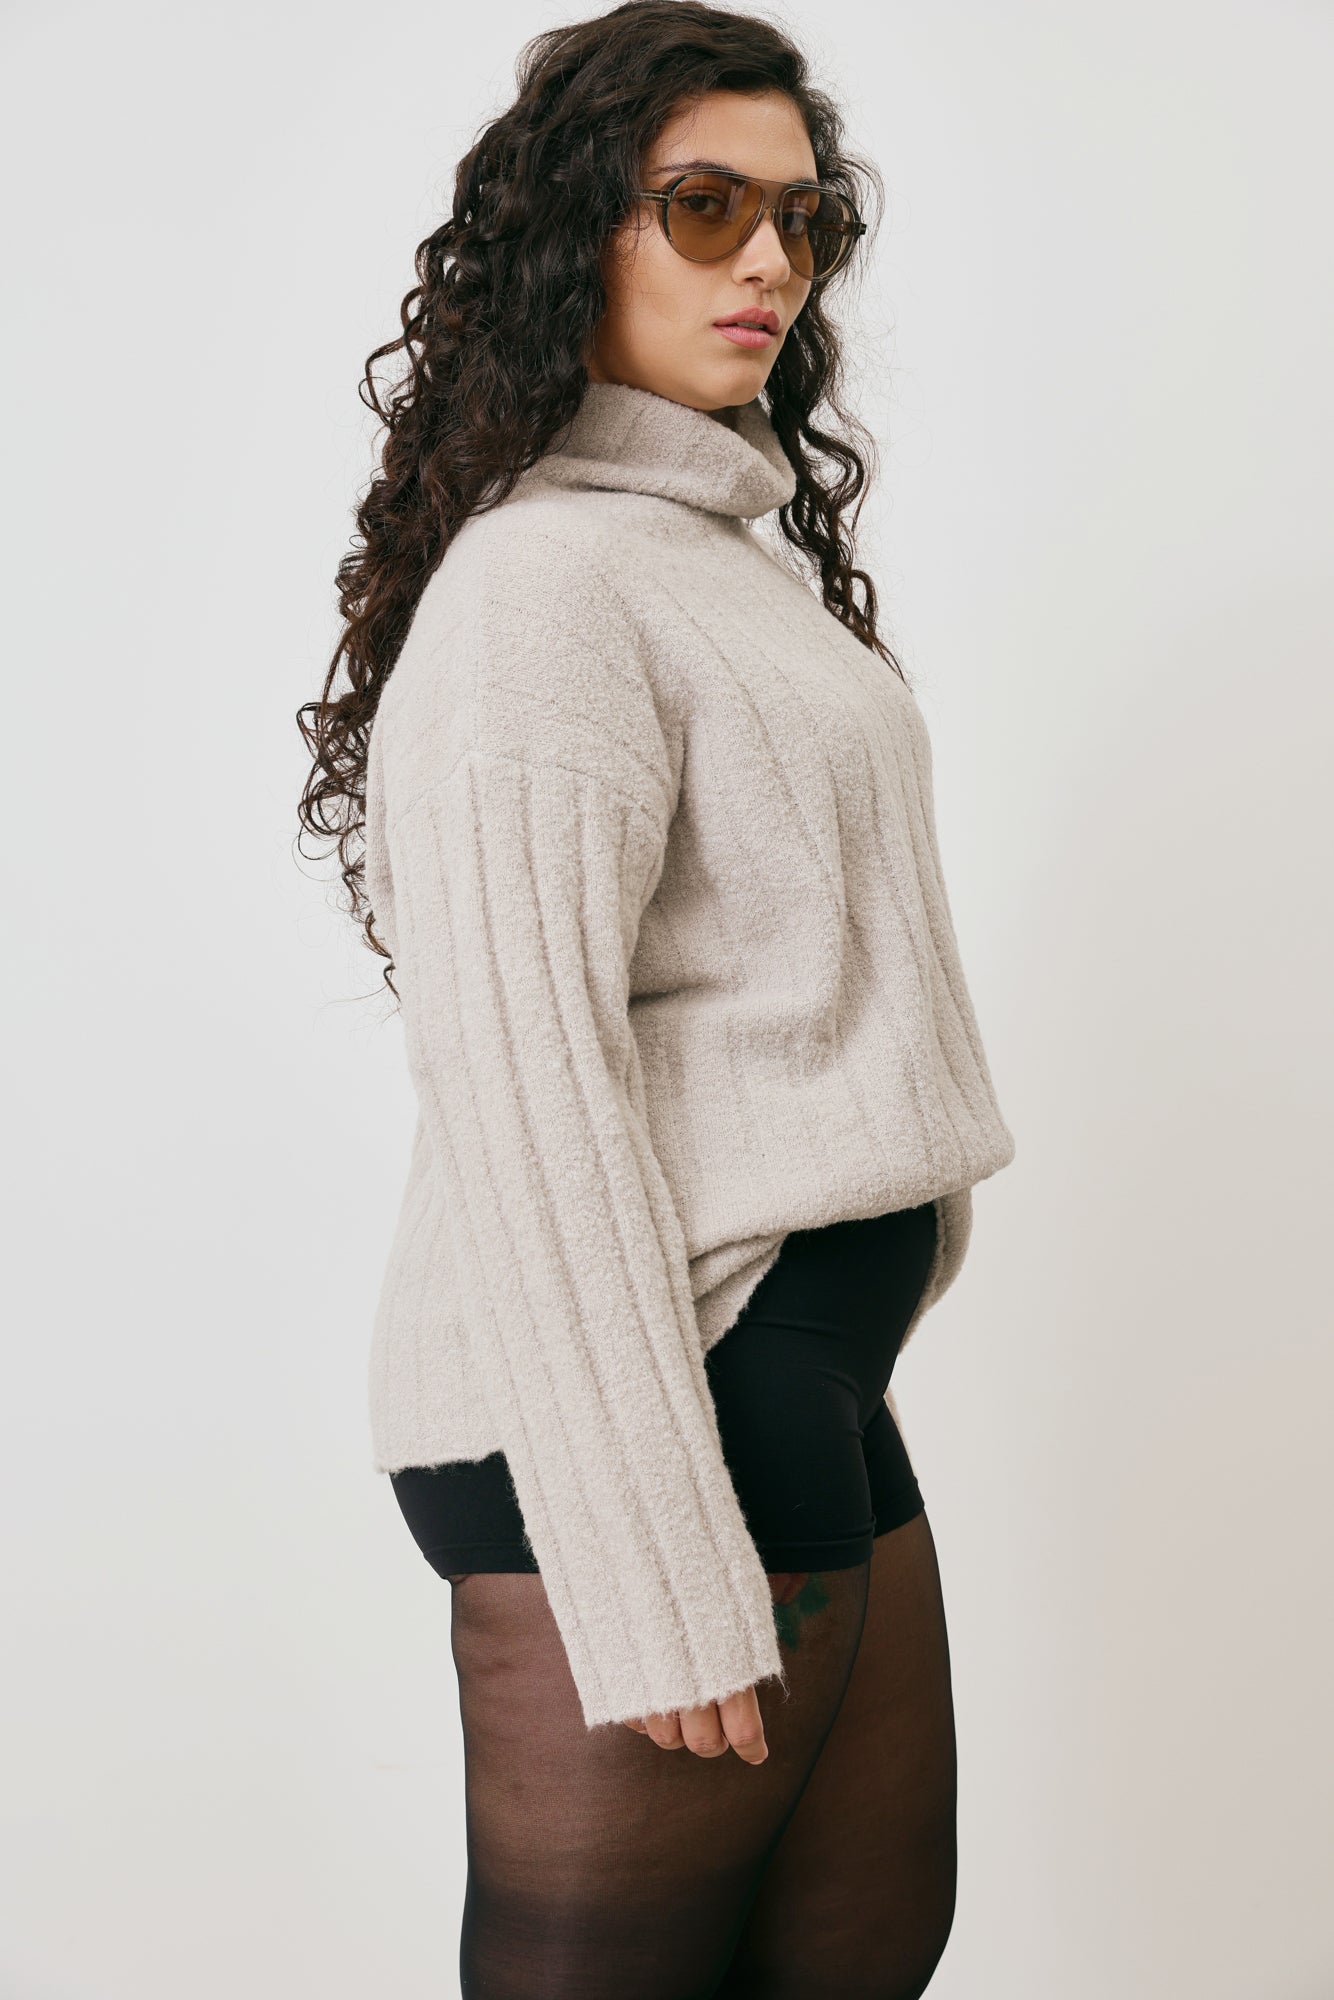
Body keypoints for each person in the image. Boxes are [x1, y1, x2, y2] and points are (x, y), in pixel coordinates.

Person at [297, 3, 1016, 1992]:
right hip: (640, 1410)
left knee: (863, 1952)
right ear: (573, 237)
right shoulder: (542, 590)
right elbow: (526, 1091)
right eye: (707, 207)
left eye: (802, 217)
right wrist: (639, 1547)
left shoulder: (715, 556)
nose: (769, 260)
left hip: (790, 1373)